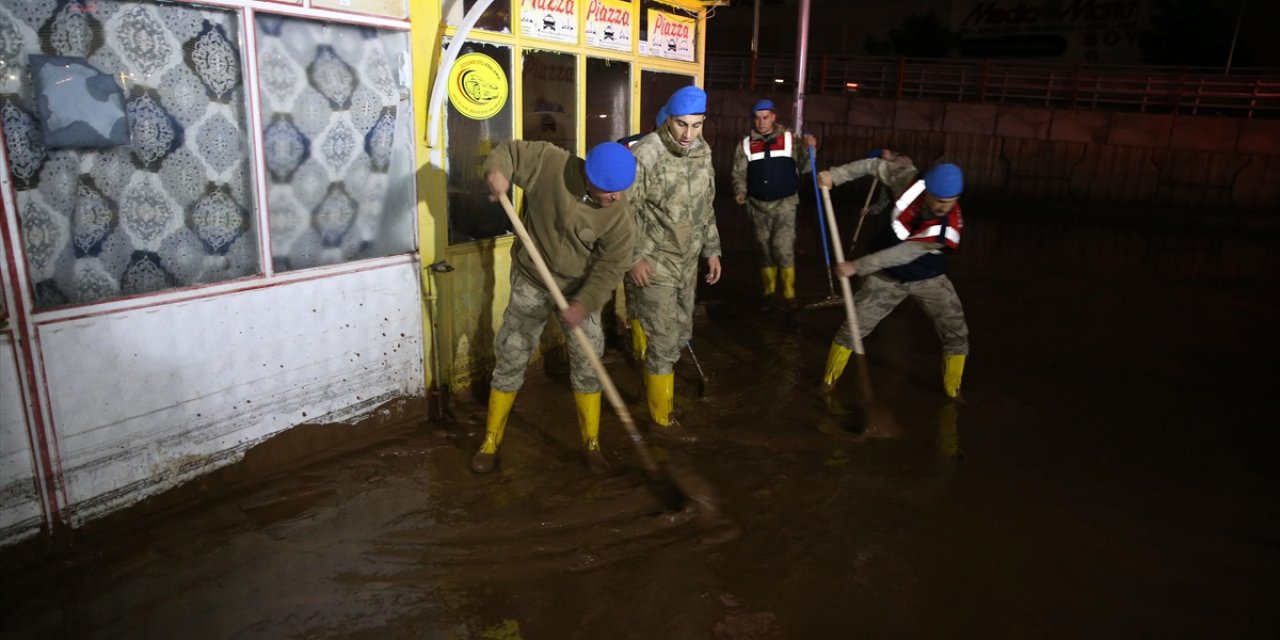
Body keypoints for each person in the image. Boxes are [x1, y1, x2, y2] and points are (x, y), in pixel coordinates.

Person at [471, 140, 637, 475]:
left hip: (579, 289)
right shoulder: (551, 165)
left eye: (622, 190)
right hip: (532, 279)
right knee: (512, 354)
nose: (617, 197)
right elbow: (509, 152)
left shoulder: (619, 215)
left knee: (589, 364)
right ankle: (490, 440)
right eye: (610, 191)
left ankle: (591, 444)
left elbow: (611, 267)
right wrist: (497, 171)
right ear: (589, 178)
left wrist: (584, 303)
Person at [816, 158, 969, 400]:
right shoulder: (907, 179)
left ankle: (953, 392)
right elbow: (875, 166)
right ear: (927, 188)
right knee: (852, 329)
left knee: (956, 332)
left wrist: (856, 266)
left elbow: (899, 255)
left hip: (928, 278)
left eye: (950, 202)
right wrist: (836, 176)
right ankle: (827, 383)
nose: (944, 208)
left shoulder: (945, 229)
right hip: (885, 279)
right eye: (939, 201)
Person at [626, 85, 721, 444]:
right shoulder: (646, 154)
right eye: (681, 125)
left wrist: (712, 250)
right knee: (665, 342)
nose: (688, 135)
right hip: (655, 262)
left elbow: (706, 205)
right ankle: (662, 423)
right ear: (668, 119)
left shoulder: (702, 151)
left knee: (681, 333)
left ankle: (651, 387)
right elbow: (626, 211)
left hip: (688, 260)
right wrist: (634, 258)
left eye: (696, 126)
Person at [731, 99, 817, 307]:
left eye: (765, 117)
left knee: (782, 247)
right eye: (757, 118)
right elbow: (739, 172)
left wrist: (810, 149)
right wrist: (739, 190)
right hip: (756, 205)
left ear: (774, 117)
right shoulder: (745, 144)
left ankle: (789, 295)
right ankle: (768, 293)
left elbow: (806, 167)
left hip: (785, 204)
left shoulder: (790, 139)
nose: (761, 122)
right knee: (763, 248)